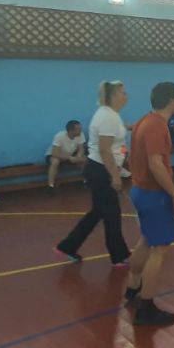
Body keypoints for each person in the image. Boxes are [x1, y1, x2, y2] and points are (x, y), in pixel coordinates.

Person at [123, 81, 174, 327]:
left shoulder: (144, 120)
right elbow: (156, 165)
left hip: (140, 191)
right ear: (171, 100)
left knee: (145, 240)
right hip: (154, 195)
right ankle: (146, 308)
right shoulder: (156, 126)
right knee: (159, 249)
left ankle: (132, 289)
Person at [56, 80, 132, 267]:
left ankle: (68, 246)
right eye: (123, 92)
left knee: (98, 212)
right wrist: (115, 175)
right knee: (112, 214)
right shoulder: (108, 117)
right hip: (101, 171)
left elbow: (114, 139)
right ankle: (118, 256)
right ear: (113, 96)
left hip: (100, 169)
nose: (126, 95)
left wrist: (131, 127)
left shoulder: (111, 115)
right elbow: (105, 150)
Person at [45, 120, 87, 193]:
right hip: (56, 155)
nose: (81, 130)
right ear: (71, 130)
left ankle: (86, 181)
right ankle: (50, 186)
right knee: (55, 161)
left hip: (70, 154)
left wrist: (79, 156)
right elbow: (55, 153)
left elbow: (81, 149)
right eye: (78, 129)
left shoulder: (81, 135)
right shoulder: (59, 136)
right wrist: (69, 158)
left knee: (84, 159)